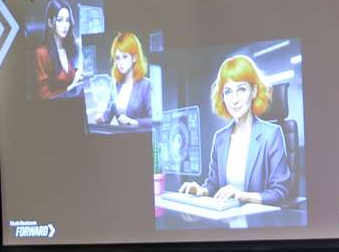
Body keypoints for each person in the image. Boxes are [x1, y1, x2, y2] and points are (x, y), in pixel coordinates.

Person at [179, 54, 290, 205]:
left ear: (254, 91)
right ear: (222, 97)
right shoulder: (220, 138)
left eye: (242, 89)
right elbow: (213, 184)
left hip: (258, 223)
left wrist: (241, 195)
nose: (234, 99)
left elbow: (280, 192)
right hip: (225, 221)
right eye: (228, 92)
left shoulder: (272, 135)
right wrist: (201, 191)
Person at [97, 32, 153, 126]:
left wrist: (133, 122)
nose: (120, 62)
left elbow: (155, 120)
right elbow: (107, 116)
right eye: (117, 58)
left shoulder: (146, 85)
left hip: (141, 138)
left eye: (125, 56)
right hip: (121, 138)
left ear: (134, 58)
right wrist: (101, 119)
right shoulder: (115, 85)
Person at [34, 0, 83, 99]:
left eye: (67, 20)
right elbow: (44, 96)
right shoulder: (41, 53)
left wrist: (78, 77)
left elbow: (70, 78)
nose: (65, 25)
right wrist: (69, 89)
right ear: (50, 22)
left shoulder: (70, 49)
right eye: (60, 20)